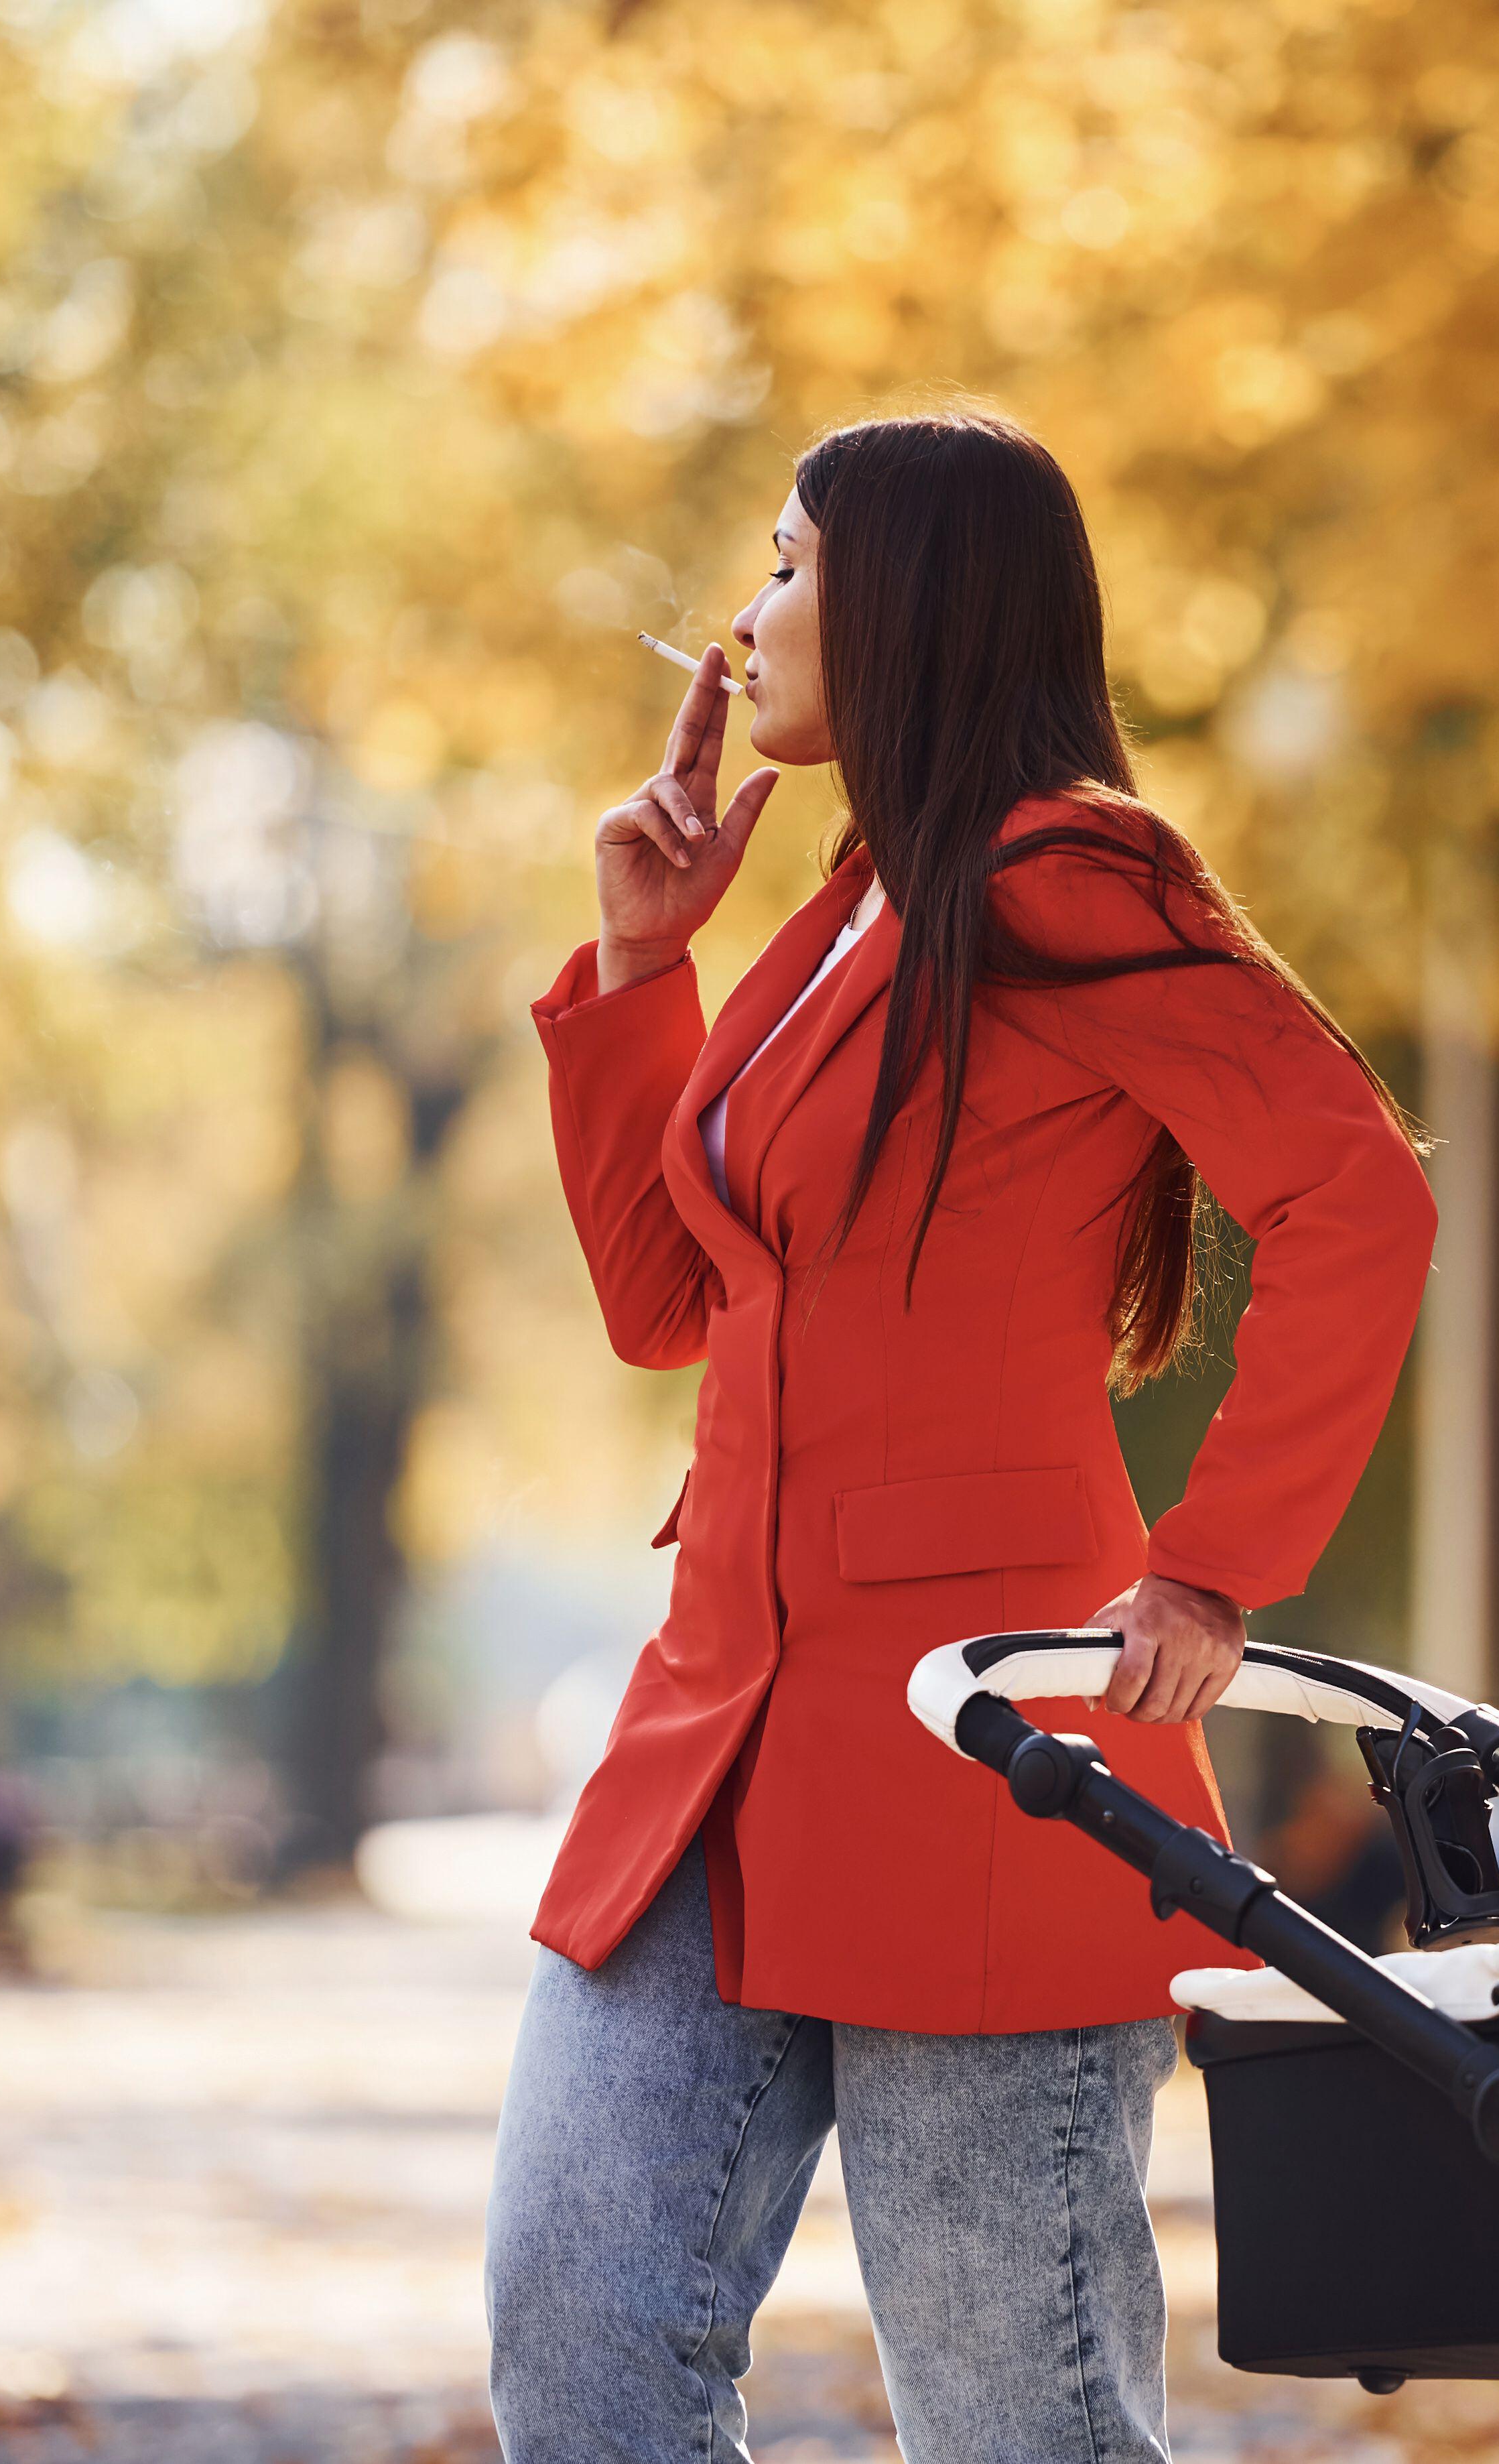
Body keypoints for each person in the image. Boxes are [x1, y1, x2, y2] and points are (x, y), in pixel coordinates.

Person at [482, 409, 1438, 2464]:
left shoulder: (1061, 873)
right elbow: (676, 1299)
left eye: (789, 567)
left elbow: (1356, 1192)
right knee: (576, 2336)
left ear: (909, 601)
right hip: (714, 1735)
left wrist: (1215, 1555)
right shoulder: (844, 911)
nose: (743, 622)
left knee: (1019, 2428)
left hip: (979, 1747)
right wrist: (644, 964)